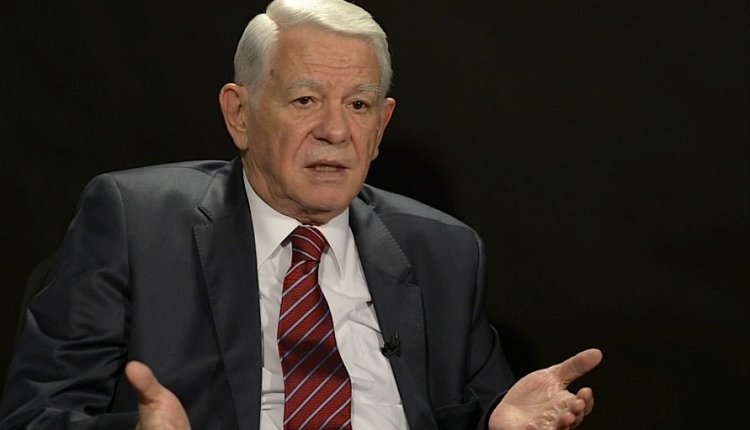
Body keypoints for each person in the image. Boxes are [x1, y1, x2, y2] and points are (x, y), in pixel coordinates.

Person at [0, 0, 602, 429]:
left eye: (359, 105)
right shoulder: (137, 222)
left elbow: (481, 410)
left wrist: (501, 423)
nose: (335, 130)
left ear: (381, 126)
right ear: (240, 114)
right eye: (306, 99)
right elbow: (36, 414)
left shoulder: (445, 251)